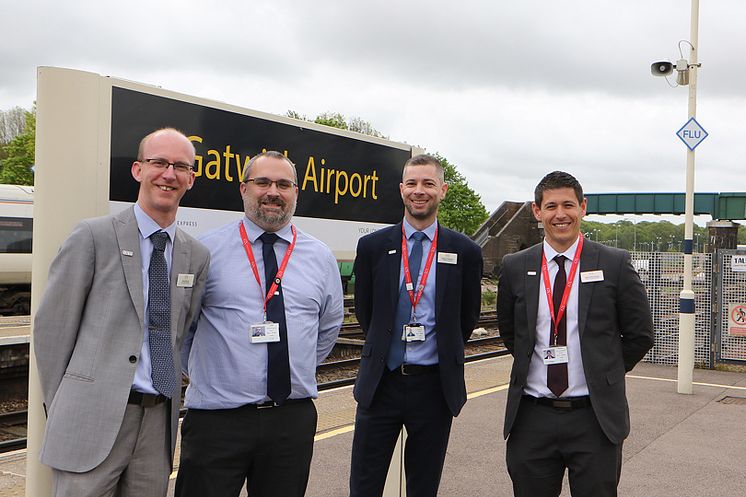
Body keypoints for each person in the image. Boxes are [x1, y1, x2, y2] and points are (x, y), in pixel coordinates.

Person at [34, 128, 210, 497]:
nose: (169, 174)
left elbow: (182, 330)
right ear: (137, 170)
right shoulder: (93, 237)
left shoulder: (196, 255)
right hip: (91, 421)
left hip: (158, 421)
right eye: (158, 162)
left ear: (191, 179)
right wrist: (70, 404)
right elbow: (52, 331)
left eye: (180, 166)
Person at [175, 151, 344, 497]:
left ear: (295, 192)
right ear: (243, 189)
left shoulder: (320, 256)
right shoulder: (205, 251)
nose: (273, 192)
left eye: (284, 184)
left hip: (290, 420)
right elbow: (183, 327)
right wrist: (213, 373)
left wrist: (292, 364)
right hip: (217, 420)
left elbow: (328, 326)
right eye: (262, 182)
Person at [497, 171, 654, 497]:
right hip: (532, 418)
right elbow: (512, 334)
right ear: (537, 212)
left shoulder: (614, 263)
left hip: (594, 420)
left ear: (582, 207)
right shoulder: (515, 266)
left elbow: (640, 334)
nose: (560, 214)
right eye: (551, 206)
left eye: (568, 204)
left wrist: (604, 371)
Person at [349, 154, 483, 497]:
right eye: (412, 183)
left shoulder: (465, 251)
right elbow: (366, 312)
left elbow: (466, 318)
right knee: (364, 484)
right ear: (401, 189)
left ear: (443, 190)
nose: (418, 191)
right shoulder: (373, 247)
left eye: (427, 183)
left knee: (423, 487)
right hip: (382, 383)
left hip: (434, 388)